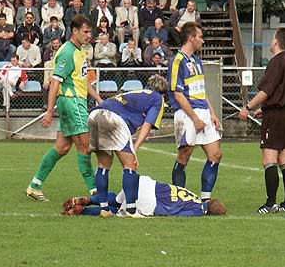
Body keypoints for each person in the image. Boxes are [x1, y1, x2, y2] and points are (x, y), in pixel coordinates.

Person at [26, 15, 104, 202]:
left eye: (89, 31)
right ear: (74, 31)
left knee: (62, 147)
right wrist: (50, 110)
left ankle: (34, 186)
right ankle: (96, 192)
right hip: (72, 102)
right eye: (85, 31)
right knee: (85, 147)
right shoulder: (67, 52)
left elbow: (83, 81)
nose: (88, 35)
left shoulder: (81, 51)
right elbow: (55, 82)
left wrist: (100, 99)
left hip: (77, 101)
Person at [239, 28, 285, 214]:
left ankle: (270, 203)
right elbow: (283, 91)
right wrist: (263, 109)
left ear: (276, 42)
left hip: (275, 117)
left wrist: (248, 108)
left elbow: (266, 91)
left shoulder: (277, 62)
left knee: (269, 159)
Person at [87, 75, 168, 217]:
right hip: (114, 118)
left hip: (95, 114)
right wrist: (134, 149)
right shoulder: (157, 98)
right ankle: (131, 210)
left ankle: (104, 208)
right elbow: (147, 126)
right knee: (130, 165)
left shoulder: (137, 93)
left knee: (103, 164)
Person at [168, 22, 222, 203]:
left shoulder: (197, 61)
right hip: (187, 114)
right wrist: (195, 118)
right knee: (184, 156)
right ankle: (179, 198)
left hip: (203, 112)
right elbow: (177, 93)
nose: (203, 41)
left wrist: (212, 114)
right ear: (191, 38)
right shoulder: (177, 61)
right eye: (200, 37)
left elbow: (202, 91)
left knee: (216, 154)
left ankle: (205, 199)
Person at [62, 177, 226, 218]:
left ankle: (89, 200)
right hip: (150, 202)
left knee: (118, 199)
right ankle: (81, 211)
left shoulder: (193, 196)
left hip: (145, 182)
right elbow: (179, 213)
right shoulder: (200, 209)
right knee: (116, 211)